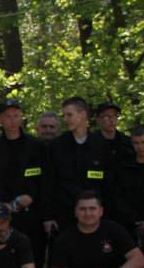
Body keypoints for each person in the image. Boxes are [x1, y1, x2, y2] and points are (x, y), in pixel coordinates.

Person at [0, 98, 50, 268]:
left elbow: (46, 180)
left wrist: (32, 197)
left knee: (34, 260)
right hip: (2, 216)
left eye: (16, 116)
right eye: (8, 116)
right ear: (0, 119)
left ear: (21, 117)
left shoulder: (37, 146)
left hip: (33, 216)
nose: (12, 120)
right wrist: (3, 205)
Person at [43, 97, 120, 234]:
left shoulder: (101, 146)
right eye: (64, 115)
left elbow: (110, 185)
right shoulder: (57, 146)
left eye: (69, 115)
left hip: (95, 218)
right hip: (65, 217)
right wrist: (48, 216)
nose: (65, 119)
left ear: (83, 115)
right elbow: (48, 183)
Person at [93, 101, 135, 165]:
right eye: (107, 116)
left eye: (114, 116)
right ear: (98, 120)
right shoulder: (91, 143)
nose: (111, 120)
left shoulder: (128, 142)